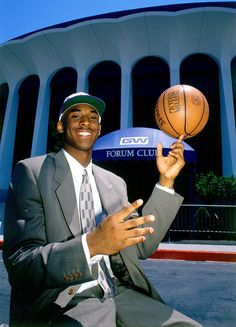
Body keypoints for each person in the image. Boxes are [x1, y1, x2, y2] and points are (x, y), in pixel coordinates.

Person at [3, 92, 203, 327]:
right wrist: (92, 244)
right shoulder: (33, 172)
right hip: (64, 302)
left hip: (119, 292)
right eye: (75, 115)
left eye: (92, 117)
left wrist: (166, 181)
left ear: (99, 129)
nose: (85, 121)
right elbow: (21, 263)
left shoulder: (115, 183)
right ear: (60, 125)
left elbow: (142, 246)